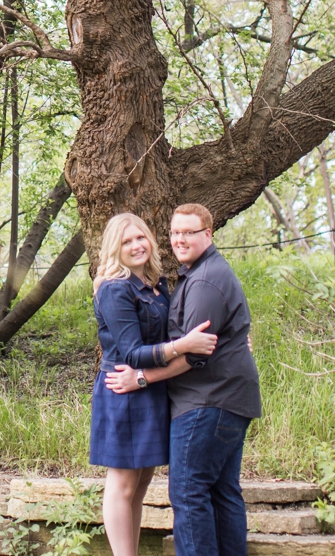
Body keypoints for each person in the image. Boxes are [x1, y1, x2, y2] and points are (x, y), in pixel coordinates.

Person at [110, 203, 260, 556]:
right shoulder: (196, 274)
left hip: (208, 402)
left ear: (207, 234)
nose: (179, 239)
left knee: (189, 492)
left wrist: (142, 379)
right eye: (175, 232)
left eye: (188, 232)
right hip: (224, 399)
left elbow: (194, 356)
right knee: (222, 492)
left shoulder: (206, 280)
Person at [91, 212, 219, 556]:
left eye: (140, 238)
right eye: (126, 241)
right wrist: (183, 347)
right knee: (123, 483)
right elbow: (132, 353)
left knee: (142, 481)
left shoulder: (156, 284)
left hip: (148, 388)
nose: (136, 246)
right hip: (123, 390)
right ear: (113, 249)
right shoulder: (115, 289)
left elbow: (173, 328)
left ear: (150, 239)